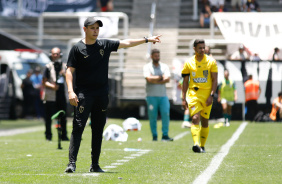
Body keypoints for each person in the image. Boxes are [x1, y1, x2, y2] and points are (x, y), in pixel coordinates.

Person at [65, 16, 162, 173]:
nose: (95, 31)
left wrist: (147, 40)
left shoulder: (104, 44)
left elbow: (126, 43)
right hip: (84, 94)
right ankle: (71, 163)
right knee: (78, 127)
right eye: (92, 28)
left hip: (102, 95)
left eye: (97, 28)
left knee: (97, 129)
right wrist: (70, 91)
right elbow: (69, 71)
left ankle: (95, 165)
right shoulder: (77, 48)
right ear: (85, 29)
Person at [181, 39, 218, 153]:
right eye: (200, 48)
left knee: (205, 121)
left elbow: (215, 80)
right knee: (195, 118)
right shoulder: (188, 63)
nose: (202, 50)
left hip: (207, 95)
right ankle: (196, 144)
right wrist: (183, 98)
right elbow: (185, 82)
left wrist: (211, 95)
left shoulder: (211, 62)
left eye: (203, 47)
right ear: (194, 49)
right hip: (194, 94)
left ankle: (202, 145)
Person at [143, 49, 173, 141]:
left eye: (158, 56)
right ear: (151, 56)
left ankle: (165, 135)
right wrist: (160, 78)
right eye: (155, 56)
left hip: (163, 95)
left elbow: (167, 79)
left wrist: (154, 79)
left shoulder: (164, 66)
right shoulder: (147, 67)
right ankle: (154, 136)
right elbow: (148, 79)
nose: (157, 57)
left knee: (165, 114)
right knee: (152, 116)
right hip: (151, 96)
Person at [42, 47, 69, 141]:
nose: (56, 55)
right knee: (48, 117)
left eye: (57, 54)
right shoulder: (48, 66)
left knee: (63, 116)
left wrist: (64, 74)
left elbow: (70, 79)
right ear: (51, 55)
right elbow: (44, 81)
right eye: (54, 54)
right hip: (51, 96)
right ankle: (48, 136)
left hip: (62, 95)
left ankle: (64, 135)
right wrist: (52, 86)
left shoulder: (65, 66)